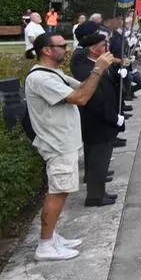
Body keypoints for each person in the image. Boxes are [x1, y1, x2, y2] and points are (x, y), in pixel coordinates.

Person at [24, 32, 115, 260]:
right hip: (56, 143)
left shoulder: (54, 73)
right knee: (58, 191)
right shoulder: (40, 79)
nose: (67, 48)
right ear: (46, 50)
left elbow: (84, 87)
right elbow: (81, 97)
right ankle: (45, 245)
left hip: (64, 141)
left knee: (61, 191)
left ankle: (52, 235)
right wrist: (97, 69)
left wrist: (101, 68)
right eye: (61, 45)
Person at [70, 23, 123, 206]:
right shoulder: (89, 67)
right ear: (94, 49)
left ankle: (99, 192)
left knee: (99, 160)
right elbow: (96, 99)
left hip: (99, 120)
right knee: (98, 160)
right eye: (104, 45)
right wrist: (113, 118)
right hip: (97, 121)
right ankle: (95, 196)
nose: (107, 48)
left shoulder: (96, 63)